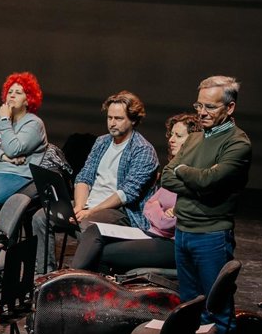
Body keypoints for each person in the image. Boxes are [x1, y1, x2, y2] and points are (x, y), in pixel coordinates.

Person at [162, 75, 251, 334]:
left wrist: (185, 172)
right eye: (199, 105)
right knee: (191, 305)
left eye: (210, 107)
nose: (202, 112)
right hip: (184, 231)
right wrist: (194, 179)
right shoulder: (195, 139)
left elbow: (210, 182)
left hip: (212, 235)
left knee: (218, 307)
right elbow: (167, 177)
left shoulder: (237, 143)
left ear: (230, 107)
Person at [34, 91, 158, 273]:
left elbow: (127, 193)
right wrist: (79, 206)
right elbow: (84, 176)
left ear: (133, 120)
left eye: (118, 118)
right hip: (89, 204)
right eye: (109, 118)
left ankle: (80, 277)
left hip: (120, 211)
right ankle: (45, 274)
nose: (112, 123)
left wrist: (90, 211)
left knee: (86, 226)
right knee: (41, 217)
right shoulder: (102, 142)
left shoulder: (142, 150)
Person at [70, 113, 199, 272]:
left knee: (101, 252)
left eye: (178, 136)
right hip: (151, 233)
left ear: (194, 140)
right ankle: (71, 278)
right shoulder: (171, 169)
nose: (171, 139)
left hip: (171, 241)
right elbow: (149, 207)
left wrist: (158, 210)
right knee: (95, 231)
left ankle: (74, 280)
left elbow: (167, 222)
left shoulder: (193, 174)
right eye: (171, 134)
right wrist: (159, 210)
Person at [0, 71, 47, 224]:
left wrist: (5, 119)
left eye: (18, 92)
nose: (12, 95)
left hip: (16, 175)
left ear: (28, 100)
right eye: (10, 92)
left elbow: (13, 149)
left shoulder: (34, 124)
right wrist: (4, 157)